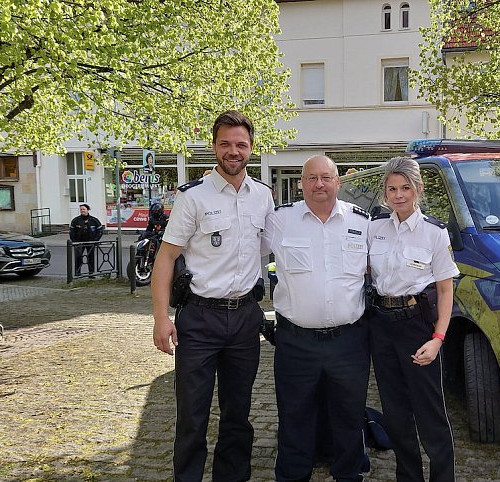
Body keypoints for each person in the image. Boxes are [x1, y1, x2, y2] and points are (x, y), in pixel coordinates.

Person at [151, 110, 274, 482]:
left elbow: (281, 251)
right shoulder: (193, 197)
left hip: (245, 319)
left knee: (238, 413)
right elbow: (166, 256)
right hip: (200, 320)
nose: (233, 151)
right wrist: (160, 318)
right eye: (225, 144)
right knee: (192, 413)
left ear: (251, 148)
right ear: (214, 147)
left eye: (241, 144)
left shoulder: (264, 198)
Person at [265, 155, 370, 482]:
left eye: (326, 177)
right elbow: (239, 252)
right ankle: (293, 475)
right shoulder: (279, 221)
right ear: (301, 183)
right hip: (296, 341)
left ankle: (349, 474)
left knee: (349, 415)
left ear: (338, 182)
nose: (319, 184)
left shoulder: (362, 222)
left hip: (349, 341)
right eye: (311, 178)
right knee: (294, 414)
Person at [367, 157, 459, 482]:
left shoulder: (434, 233)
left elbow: (446, 292)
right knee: (395, 415)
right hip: (381, 325)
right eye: (392, 188)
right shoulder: (374, 228)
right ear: (385, 192)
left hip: (417, 325)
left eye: (405, 187)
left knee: (430, 414)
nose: (399, 195)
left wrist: (437, 339)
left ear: (417, 189)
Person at [68, 203, 103, 276]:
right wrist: (74, 241)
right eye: (81, 209)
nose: (82, 211)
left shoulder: (94, 220)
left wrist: (96, 240)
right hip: (79, 242)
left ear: (88, 210)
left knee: (91, 258)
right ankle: (77, 273)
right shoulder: (75, 220)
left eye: (84, 209)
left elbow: (100, 230)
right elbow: (71, 231)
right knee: (78, 258)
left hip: (90, 242)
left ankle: (91, 273)